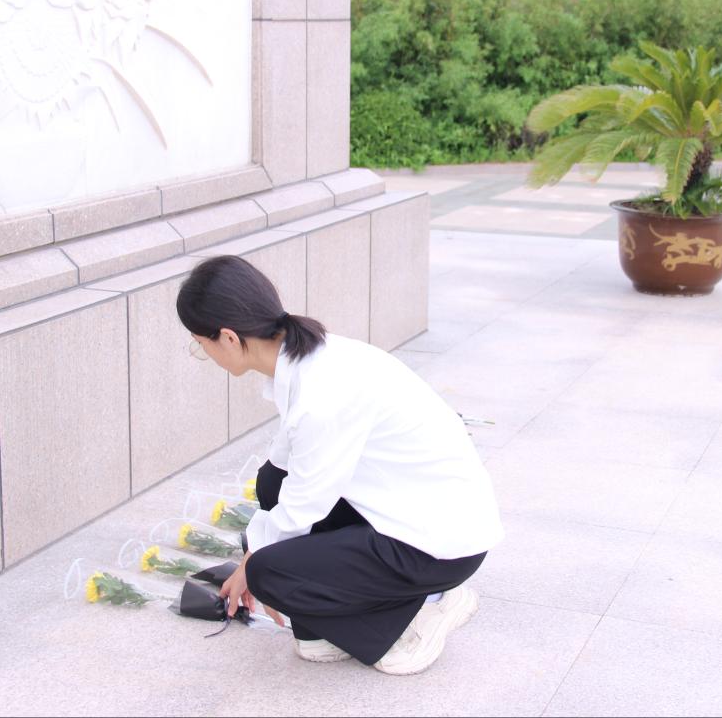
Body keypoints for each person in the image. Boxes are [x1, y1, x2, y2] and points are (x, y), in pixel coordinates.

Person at [176, 255, 503, 675]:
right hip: (406, 512)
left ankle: (427, 609)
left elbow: (305, 505)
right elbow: (284, 471)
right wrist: (256, 553)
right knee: (272, 482)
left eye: (200, 345)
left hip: (437, 546)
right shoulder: (310, 357)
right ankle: (328, 624)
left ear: (228, 338)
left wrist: (251, 569)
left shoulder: (322, 393)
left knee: (268, 572)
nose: (203, 353)